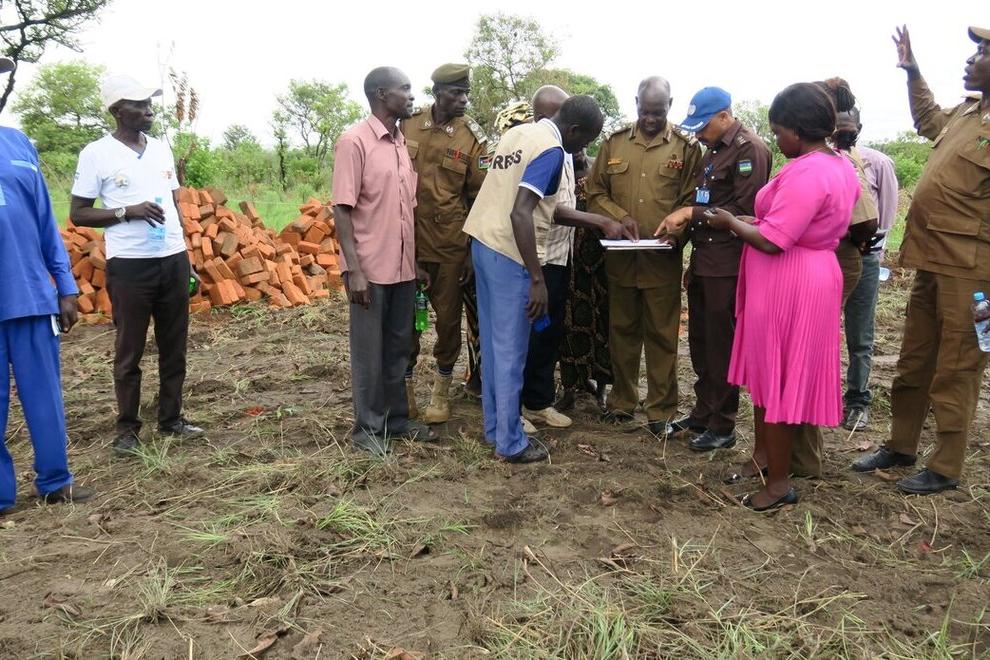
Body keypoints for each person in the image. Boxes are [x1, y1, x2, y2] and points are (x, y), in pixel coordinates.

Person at [663, 82, 860, 510]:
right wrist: (750, 220)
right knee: (768, 375)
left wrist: (731, 222)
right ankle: (763, 457)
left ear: (798, 129)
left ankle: (779, 484)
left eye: (779, 131)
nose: (776, 139)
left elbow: (774, 240)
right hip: (794, 276)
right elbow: (788, 222)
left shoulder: (811, 172)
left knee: (780, 379)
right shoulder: (834, 164)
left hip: (794, 282)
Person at [853, 26, 990, 495]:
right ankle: (901, 444)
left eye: (982, 52)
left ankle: (946, 466)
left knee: (958, 367)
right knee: (914, 360)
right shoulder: (968, 112)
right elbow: (929, 118)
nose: (971, 59)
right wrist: (913, 72)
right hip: (931, 260)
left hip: (974, 273)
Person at [463, 95, 635, 463]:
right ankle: (511, 443)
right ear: (573, 130)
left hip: (483, 245)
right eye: (586, 140)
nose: (583, 148)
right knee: (511, 351)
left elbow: (541, 206)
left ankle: (495, 428)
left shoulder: (519, 135)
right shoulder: (552, 151)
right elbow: (521, 213)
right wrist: (537, 279)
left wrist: (599, 221)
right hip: (509, 253)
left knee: (493, 347)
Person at [71, 75, 204, 456]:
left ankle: (171, 419)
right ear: (117, 110)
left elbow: (174, 206)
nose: (149, 110)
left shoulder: (160, 149)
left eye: (149, 103)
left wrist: (186, 259)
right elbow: (79, 213)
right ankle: (127, 430)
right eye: (139, 104)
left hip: (172, 261)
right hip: (130, 267)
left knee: (174, 346)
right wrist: (126, 211)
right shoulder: (96, 154)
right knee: (129, 350)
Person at [0, 56, 94, 512]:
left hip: (31, 296)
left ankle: (55, 480)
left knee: (46, 397)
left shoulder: (18, 143)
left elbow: (44, 222)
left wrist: (66, 285)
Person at [587, 77, 703, 436]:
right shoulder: (614, 142)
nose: (650, 119)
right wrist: (619, 217)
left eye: (658, 112)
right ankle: (622, 402)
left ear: (670, 105)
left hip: (661, 261)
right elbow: (595, 192)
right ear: (636, 102)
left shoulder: (686, 148)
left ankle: (660, 411)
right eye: (645, 111)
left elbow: (693, 200)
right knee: (621, 331)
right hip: (621, 260)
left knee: (662, 336)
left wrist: (677, 234)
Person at [332, 66, 438, 455]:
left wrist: (416, 262)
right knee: (369, 355)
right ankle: (368, 431)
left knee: (398, 348)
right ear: (381, 94)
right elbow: (342, 209)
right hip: (370, 270)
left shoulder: (400, 143)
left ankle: (396, 421)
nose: (411, 96)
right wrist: (354, 270)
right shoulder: (354, 142)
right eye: (404, 89)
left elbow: (407, 208)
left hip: (403, 268)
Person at [662, 87, 771, 451]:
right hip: (705, 261)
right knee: (702, 342)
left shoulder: (749, 150)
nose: (697, 134)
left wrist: (689, 213)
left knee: (722, 345)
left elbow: (744, 213)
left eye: (703, 126)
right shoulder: (712, 150)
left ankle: (723, 424)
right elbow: (707, 199)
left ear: (724, 116)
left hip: (729, 265)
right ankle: (703, 413)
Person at [788, 77, 879, 479]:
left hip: (832, 260)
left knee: (806, 358)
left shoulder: (838, 160)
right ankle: (797, 452)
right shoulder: (821, 159)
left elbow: (869, 222)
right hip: (825, 260)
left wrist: (839, 238)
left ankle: (805, 456)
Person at [400, 63, 488, 424]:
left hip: (449, 246)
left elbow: (480, 198)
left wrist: (470, 251)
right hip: (405, 242)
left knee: (449, 322)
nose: (464, 99)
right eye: (457, 92)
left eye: (466, 93)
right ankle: (404, 389)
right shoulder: (408, 123)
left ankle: (441, 390)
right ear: (438, 93)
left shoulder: (472, 137)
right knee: (405, 320)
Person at [461, 101, 534, 400]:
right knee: (481, 323)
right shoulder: (492, 157)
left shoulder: (536, 153)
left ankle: (504, 389)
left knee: (506, 330)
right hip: (484, 244)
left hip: (513, 249)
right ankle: (478, 379)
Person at [833, 108, 898, 431]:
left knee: (860, 334)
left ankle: (858, 399)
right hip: (830, 257)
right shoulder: (823, 163)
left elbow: (886, 214)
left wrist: (867, 246)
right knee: (824, 330)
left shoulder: (878, 163)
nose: (843, 134)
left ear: (859, 127)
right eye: (837, 128)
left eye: (849, 128)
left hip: (866, 257)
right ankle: (825, 396)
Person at [521, 85, 576, 430]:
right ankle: (513, 406)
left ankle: (538, 402)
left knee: (548, 332)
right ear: (542, 117)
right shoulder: (537, 147)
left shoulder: (565, 148)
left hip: (559, 254)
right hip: (535, 255)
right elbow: (550, 211)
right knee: (525, 334)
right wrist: (601, 221)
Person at [557, 148, 611, 411]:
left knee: (602, 324)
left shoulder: (597, 169)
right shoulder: (560, 171)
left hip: (600, 263)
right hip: (567, 262)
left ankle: (600, 390)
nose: (577, 150)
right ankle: (570, 388)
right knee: (569, 325)